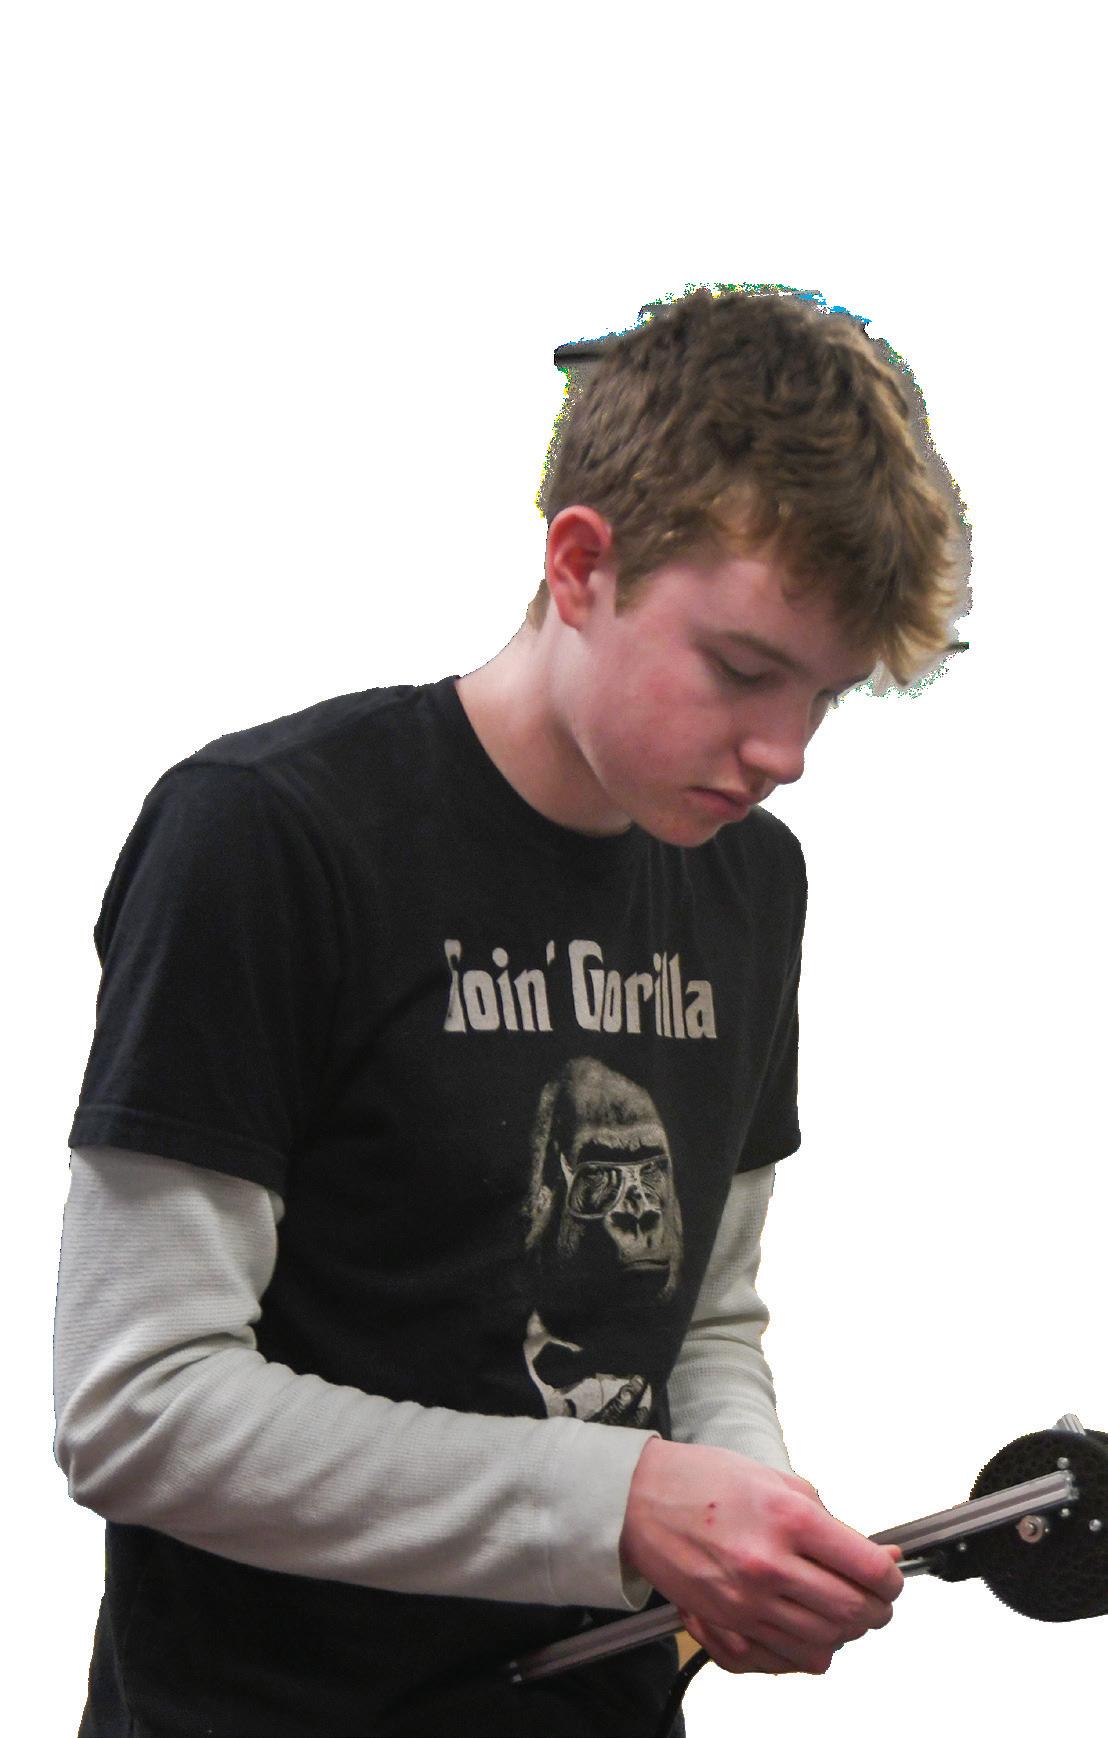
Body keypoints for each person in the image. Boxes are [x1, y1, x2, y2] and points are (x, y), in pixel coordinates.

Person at [54, 284, 971, 1738]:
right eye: (744, 670)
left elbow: (704, 1316)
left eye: (829, 696)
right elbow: (136, 1403)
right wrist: (623, 1502)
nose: (784, 752)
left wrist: (748, 1510)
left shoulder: (753, 881)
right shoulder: (265, 837)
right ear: (581, 561)